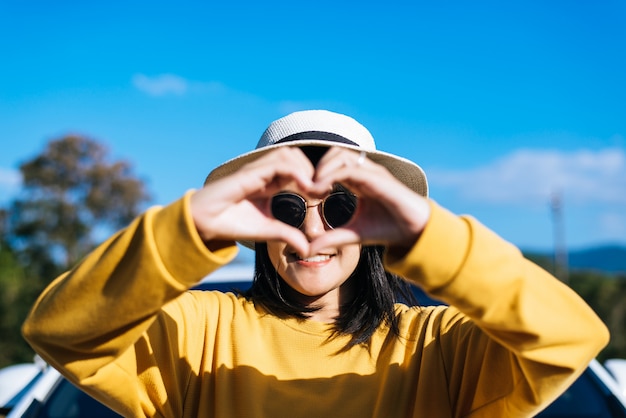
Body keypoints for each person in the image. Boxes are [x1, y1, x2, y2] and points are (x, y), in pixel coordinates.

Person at [23, 110, 608, 418]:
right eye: (284, 206)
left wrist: (429, 235)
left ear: (377, 219)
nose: (310, 229)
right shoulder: (196, 332)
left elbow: (571, 339)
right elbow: (62, 332)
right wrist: (191, 224)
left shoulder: (439, 346)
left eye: (342, 208)